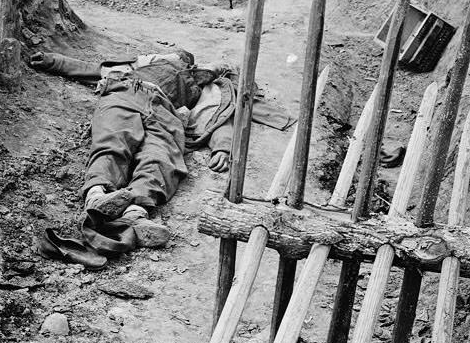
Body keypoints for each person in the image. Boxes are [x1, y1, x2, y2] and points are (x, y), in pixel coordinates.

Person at [30, 48, 288, 261]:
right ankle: (97, 195)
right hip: (127, 94)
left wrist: (222, 146)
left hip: (167, 112)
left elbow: (217, 116)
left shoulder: (210, 89)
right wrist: (52, 60)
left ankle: (136, 213)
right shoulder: (141, 65)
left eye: (217, 67)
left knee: (162, 157)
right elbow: (91, 68)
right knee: (113, 141)